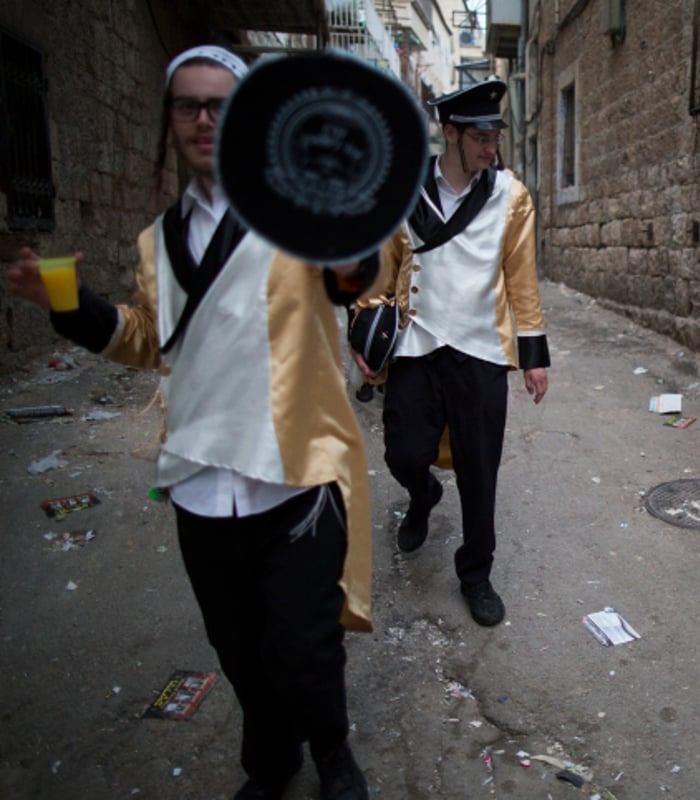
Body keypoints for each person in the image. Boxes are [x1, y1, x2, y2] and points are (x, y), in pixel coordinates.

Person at [7, 46, 376, 800]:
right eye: (189, 105)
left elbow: (354, 276)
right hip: (204, 486)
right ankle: (271, 765)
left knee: (305, 646)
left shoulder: (295, 209)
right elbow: (148, 339)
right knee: (239, 650)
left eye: (222, 105)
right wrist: (66, 304)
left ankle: (334, 753)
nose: (206, 119)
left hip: (295, 476)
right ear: (170, 120)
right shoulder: (155, 244)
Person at [351, 78, 550, 627]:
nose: (491, 147)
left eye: (496, 135)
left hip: (481, 350)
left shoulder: (511, 197)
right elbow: (379, 269)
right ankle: (421, 497)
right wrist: (366, 326)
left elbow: (522, 278)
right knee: (403, 454)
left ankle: (476, 574)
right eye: (480, 136)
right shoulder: (403, 193)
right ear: (450, 133)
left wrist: (533, 355)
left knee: (480, 472)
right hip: (417, 346)